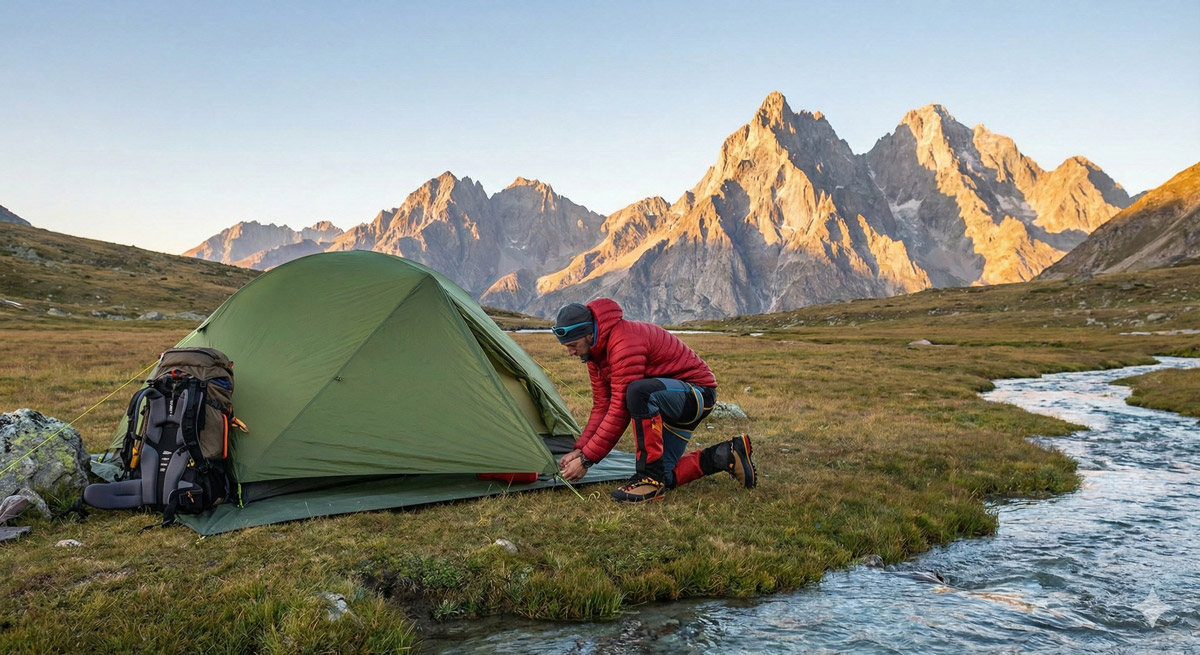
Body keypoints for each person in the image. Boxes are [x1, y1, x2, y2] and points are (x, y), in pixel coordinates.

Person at [553, 299, 757, 502]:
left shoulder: (623, 342)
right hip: (668, 400)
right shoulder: (595, 355)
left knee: (637, 392)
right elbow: (601, 407)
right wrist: (580, 449)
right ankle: (728, 454)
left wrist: (587, 460)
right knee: (665, 477)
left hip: (697, 395)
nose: (570, 352)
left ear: (589, 334)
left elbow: (619, 409)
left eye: (573, 345)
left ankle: (648, 480)